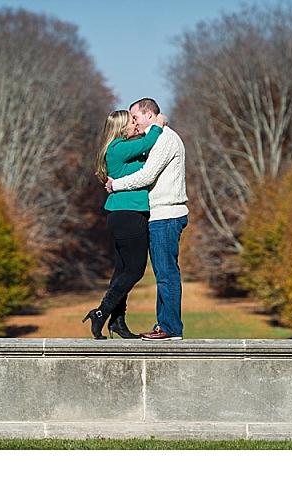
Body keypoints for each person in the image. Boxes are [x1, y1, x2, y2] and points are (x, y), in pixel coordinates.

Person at [105, 98, 187, 341]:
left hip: (167, 214)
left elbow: (147, 175)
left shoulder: (163, 139)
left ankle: (170, 328)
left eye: (135, 117)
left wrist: (115, 184)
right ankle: (165, 325)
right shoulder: (157, 137)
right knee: (163, 272)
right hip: (160, 214)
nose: (134, 123)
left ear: (149, 115)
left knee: (166, 273)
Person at [82, 110, 168, 339]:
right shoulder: (119, 147)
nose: (135, 124)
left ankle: (117, 322)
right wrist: (158, 123)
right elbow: (149, 140)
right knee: (135, 270)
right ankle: (101, 312)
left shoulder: (122, 148)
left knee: (122, 270)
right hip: (128, 214)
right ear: (121, 128)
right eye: (131, 121)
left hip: (124, 214)